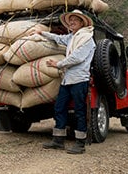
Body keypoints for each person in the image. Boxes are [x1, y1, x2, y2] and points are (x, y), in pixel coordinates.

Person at [35, 9, 96, 154]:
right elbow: (58, 39)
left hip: (79, 79)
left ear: (82, 23)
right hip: (67, 79)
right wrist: (42, 33)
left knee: (80, 111)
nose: (72, 22)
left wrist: (58, 64)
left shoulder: (86, 38)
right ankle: (58, 140)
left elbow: (77, 58)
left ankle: (80, 143)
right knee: (59, 108)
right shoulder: (72, 37)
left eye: (75, 20)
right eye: (70, 20)